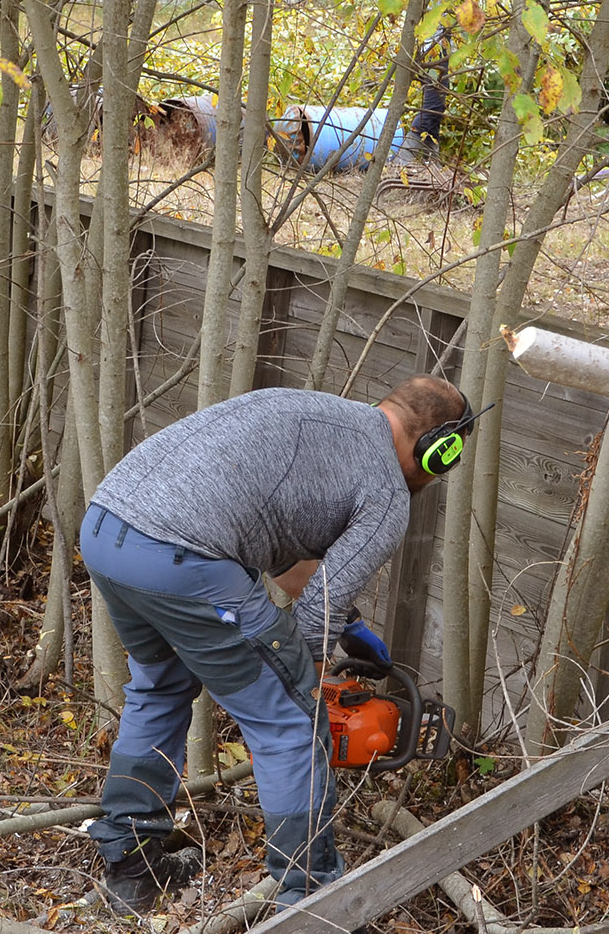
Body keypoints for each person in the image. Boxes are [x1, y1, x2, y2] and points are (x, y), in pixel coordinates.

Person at [79, 376, 479, 916]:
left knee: (161, 687)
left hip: (107, 529)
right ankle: (313, 905)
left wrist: (350, 625)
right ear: (438, 448)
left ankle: (131, 867)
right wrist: (308, 678)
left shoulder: (309, 411)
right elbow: (316, 615)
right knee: (290, 721)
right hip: (182, 556)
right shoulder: (386, 490)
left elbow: (285, 561)